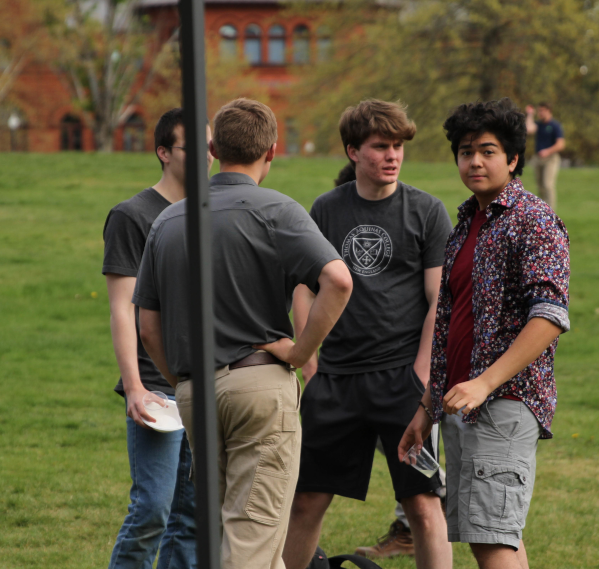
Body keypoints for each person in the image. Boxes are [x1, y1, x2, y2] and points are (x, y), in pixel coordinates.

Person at [133, 97, 353, 569]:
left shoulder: (168, 220)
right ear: (272, 151)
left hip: (194, 391)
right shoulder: (278, 210)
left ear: (212, 148)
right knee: (251, 543)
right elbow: (338, 280)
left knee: (228, 539)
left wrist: (182, 381)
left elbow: (147, 326)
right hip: (258, 387)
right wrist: (299, 353)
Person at [399, 98, 570, 569]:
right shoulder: (467, 224)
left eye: (488, 151)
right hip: (462, 402)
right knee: (494, 536)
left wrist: (485, 383)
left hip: (504, 402)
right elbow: (455, 326)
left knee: (492, 539)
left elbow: (551, 316)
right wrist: (427, 407)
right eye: (466, 151)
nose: (475, 161)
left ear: (513, 159)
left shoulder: (532, 221)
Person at [283, 99, 453, 569]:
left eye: (398, 146)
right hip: (334, 379)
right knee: (305, 501)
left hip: (402, 382)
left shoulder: (427, 211)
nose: (393, 155)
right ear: (353, 151)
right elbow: (303, 287)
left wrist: (421, 374)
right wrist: (309, 361)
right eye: (381, 146)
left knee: (423, 505)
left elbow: (440, 300)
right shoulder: (326, 210)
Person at [102, 108, 212, 569]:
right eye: (195, 147)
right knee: (152, 510)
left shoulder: (211, 213)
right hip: (155, 386)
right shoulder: (133, 216)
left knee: (192, 518)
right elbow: (122, 309)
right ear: (164, 152)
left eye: (212, 147)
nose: (208, 157)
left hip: (205, 383)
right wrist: (134, 386)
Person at [524, 102, 565, 210]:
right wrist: (530, 114)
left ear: (548, 111)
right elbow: (529, 129)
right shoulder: (539, 124)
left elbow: (560, 144)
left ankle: (551, 211)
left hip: (551, 158)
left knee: (547, 185)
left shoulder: (555, 126)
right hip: (538, 159)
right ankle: (542, 210)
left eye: (542, 111)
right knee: (540, 186)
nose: (540, 113)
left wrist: (548, 151)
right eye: (539, 111)